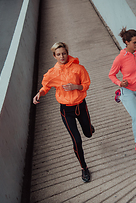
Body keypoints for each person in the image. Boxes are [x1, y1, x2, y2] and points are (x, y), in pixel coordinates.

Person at [33, 42, 94, 183]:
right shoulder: (52, 73)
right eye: (58, 54)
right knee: (77, 140)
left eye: (64, 53)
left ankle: (89, 128)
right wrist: (39, 94)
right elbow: (45, 87)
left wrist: (75, 86)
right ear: (54, 56)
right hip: (66, 111)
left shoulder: (78, 68)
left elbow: (86, 85)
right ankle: (84, 168)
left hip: (81, 106)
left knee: (88, 134)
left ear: (67, 53)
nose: (62, 56)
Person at [109, 27, 136, 157]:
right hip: (128, 90)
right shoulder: (120, 58)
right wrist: (120, 83)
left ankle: (119, 95)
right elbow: (112, 75)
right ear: (127, 42)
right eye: (134, 42)